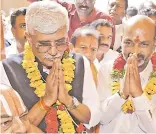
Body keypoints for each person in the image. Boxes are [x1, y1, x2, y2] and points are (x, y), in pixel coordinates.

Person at [0, 1, 100, 133]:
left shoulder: (80, 62)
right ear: (28, 38)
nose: (53, 51)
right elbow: (12, 129)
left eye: (60, 42)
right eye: (44, 44)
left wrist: (68, 100)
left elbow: (93, 117)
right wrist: (46, 100)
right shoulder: (7, 69)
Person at [97, 15, 156, 133]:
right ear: (121, 40)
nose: (135, 51)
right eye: (128, 42)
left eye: (143, 44)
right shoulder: (107, 71)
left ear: (155, 44)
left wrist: (139, 97)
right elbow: (100, 118)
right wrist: (121, 94)